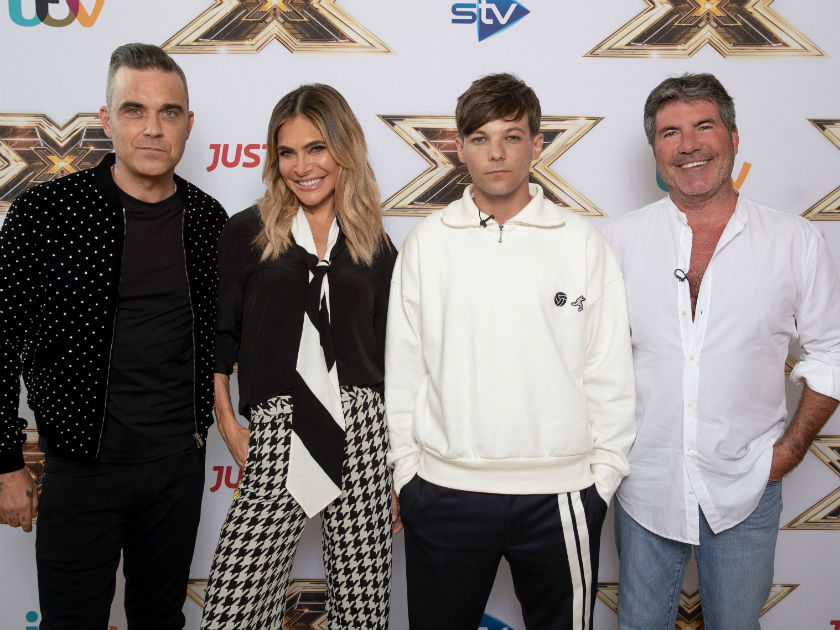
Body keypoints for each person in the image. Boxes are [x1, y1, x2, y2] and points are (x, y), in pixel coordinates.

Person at [386, 73, 636, 630]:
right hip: (445, 492)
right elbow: (405, 370)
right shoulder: (427, 242)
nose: (496, 153)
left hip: (561, 495)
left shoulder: (581, 242)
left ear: (537, 144)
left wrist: (601, 481)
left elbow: (608, 371)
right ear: (460, 148)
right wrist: (408, 474)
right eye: (480, 138)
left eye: (512, 136)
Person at [0, 43, 227, 628]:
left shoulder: (209, 221)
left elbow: (227, 340)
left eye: (168, 112)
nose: (153, 128)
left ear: (188, 123)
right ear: (106, 119)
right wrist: (5, 463)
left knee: (161, 619)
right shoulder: (46, 212)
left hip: (177, 468)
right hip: (81, 470)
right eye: (134, 110)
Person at [603, 73, 840, 630]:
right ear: (655, 151)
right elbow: (587, 358)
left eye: (704, 126)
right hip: (644, 484)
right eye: (671, 133)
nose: (689, 145)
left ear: (733, 137)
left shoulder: (796, 241)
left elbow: (832, 354)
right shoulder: (615, 241)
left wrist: (787, 454)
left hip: (747, 486)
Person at [201, 83, 396, 630]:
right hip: (277, 425)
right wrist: (228, 421)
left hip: (363, 428)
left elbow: (395, 358)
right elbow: (218, 338)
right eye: (287, 152)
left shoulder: (375, 244)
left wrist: (395, 469)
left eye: (316, 148)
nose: (302, 167)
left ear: (344, 149)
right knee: (233, 607)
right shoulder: (246, 232)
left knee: (361, 608)